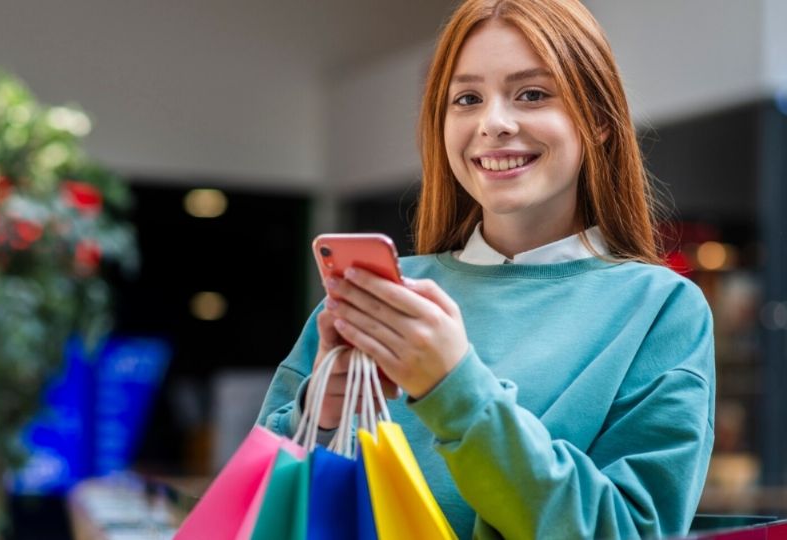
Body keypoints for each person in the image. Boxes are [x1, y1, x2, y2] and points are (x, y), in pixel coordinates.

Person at [256, 0, 715, 538]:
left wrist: (455, 388)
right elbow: (259, 505)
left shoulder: (659, 311)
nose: (493, 123)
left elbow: (631, 530)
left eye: (533, 94)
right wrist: (322, 412)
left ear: (598, 121)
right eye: (467, 99)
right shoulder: (380, 296)